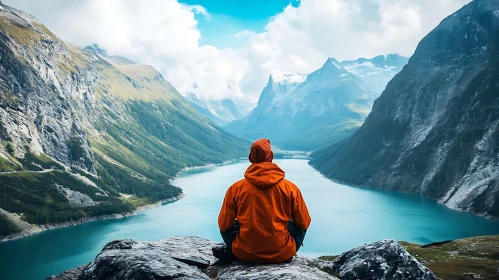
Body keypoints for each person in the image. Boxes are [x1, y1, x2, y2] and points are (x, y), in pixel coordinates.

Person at [214, 138, 311, 263]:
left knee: (230, 225)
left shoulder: (236, 189)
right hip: (282, 252)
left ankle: (239, 250)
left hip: (244, 252)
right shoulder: (290, 188)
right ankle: (281, 249)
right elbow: (304, 223)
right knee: (299, 223)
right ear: (271, 156)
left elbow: (223, 225)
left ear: (250, 158)